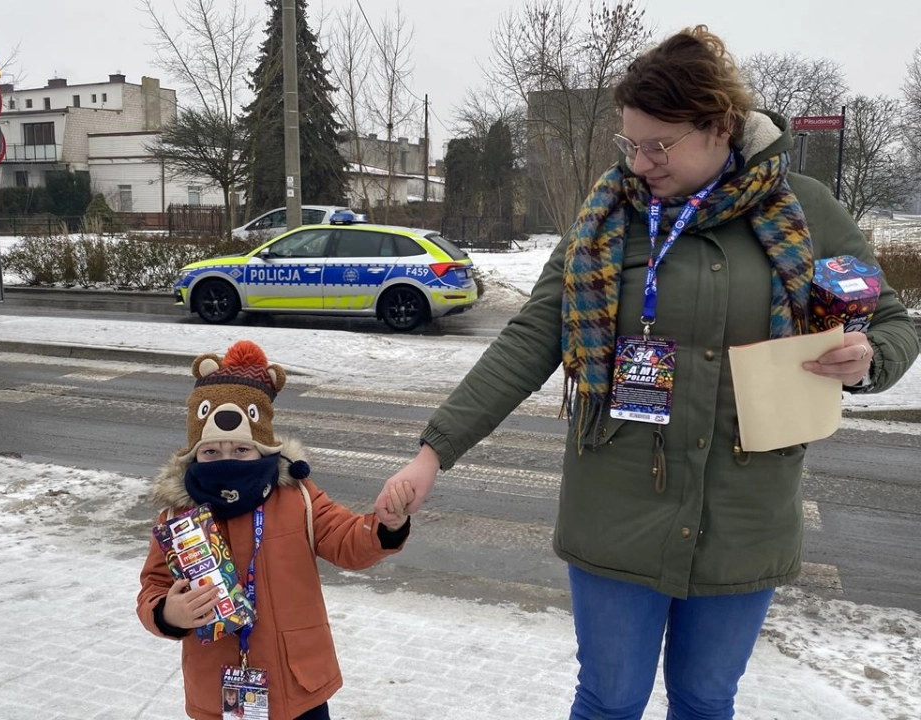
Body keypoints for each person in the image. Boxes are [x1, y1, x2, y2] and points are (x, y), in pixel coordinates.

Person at [376, 25, 919, 720]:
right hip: (618, 505)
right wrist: (434, 452)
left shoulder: (805, 209)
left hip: (746, 512)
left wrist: (868, 359)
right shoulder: (609, 215)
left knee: (705, 700)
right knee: (609, 701)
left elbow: (892, 322)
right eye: (629, 143)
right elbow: (532, 337)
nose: (639, 162)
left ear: (719, 126)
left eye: (658, 145)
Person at [138, 339, 413, 720]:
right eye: (211, 452)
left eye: (241, 450)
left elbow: (347, 540)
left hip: (298, 685)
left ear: (263, 449)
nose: (227, 461)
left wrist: (387, 527)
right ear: (194, 455)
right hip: (219, 694)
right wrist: (168, 613)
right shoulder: (178, 516)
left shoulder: (297, 497)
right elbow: (153, 587)